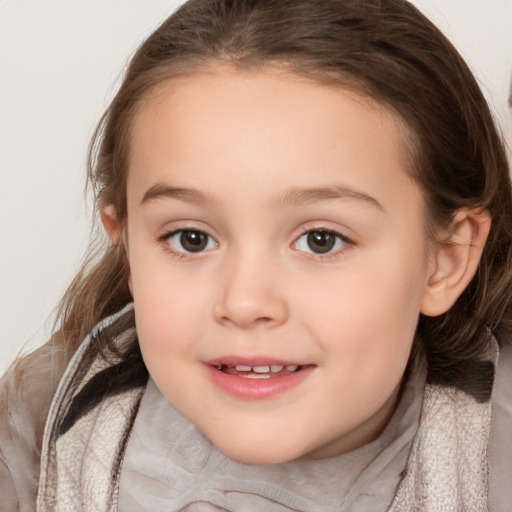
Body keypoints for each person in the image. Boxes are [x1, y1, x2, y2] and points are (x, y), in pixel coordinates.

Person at [1, 0, 511, 510]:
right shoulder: (34, 431)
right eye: (191, 238)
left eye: (321, 240)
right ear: (128, 248)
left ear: (445, 259)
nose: (245, 303)